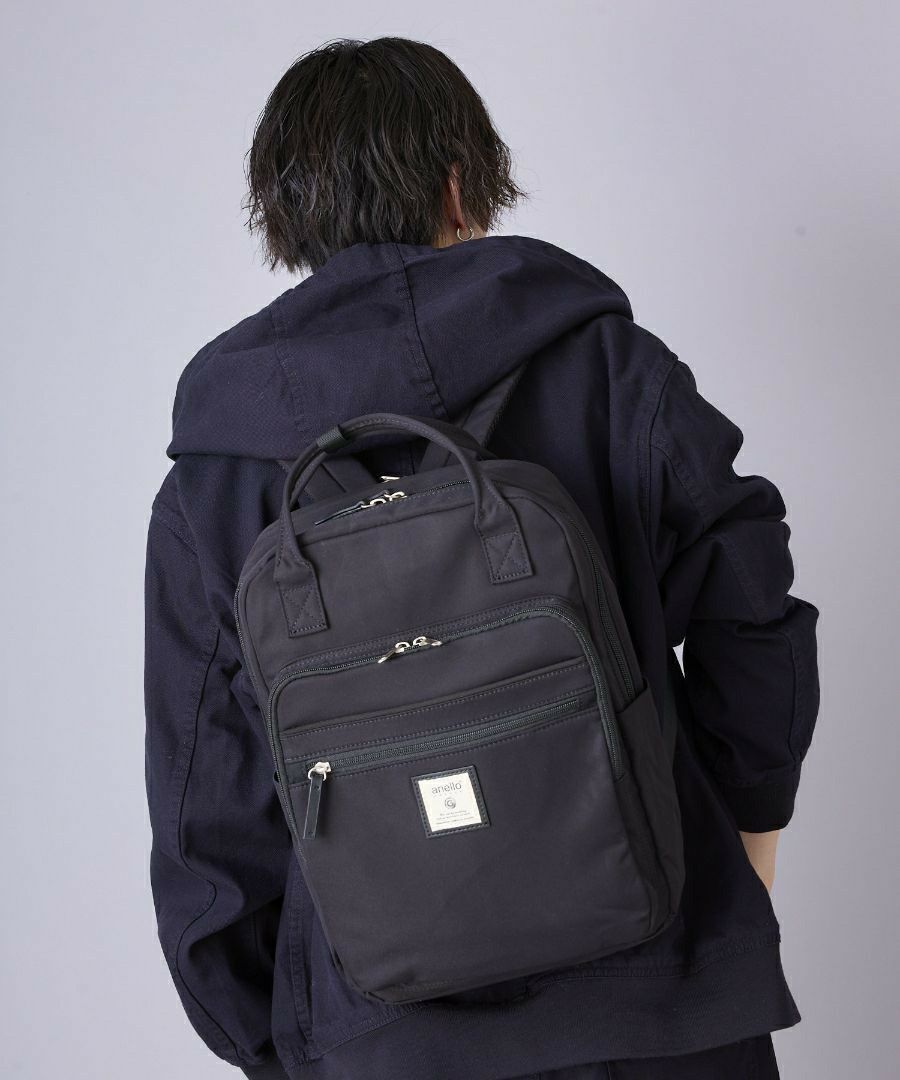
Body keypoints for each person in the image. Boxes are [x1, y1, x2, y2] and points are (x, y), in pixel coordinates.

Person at [144, 36, 819, 1080]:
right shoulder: (611, 368)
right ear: (461, 183)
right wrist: (745, 829)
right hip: (663, 996)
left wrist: (281, 1041)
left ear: (286, 210)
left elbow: (205, 804)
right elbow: (753, 603)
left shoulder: (216, 473)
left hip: (384, 1026)